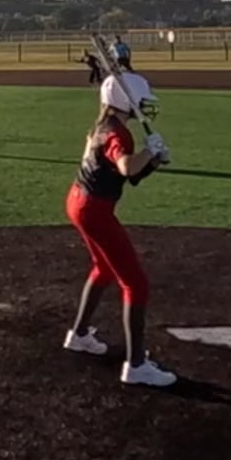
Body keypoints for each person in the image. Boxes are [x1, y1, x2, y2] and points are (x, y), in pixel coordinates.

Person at [62, 73, 176, 388]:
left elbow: (130, 176)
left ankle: (79, 334)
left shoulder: (103, 126)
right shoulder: (117, 134)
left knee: (103, 269)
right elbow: (126, 166)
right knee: (136, 284)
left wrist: (152, 161)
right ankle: (136, 365)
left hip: (80, 202)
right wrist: (148, 152)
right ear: (127, 101)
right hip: (94, 210)